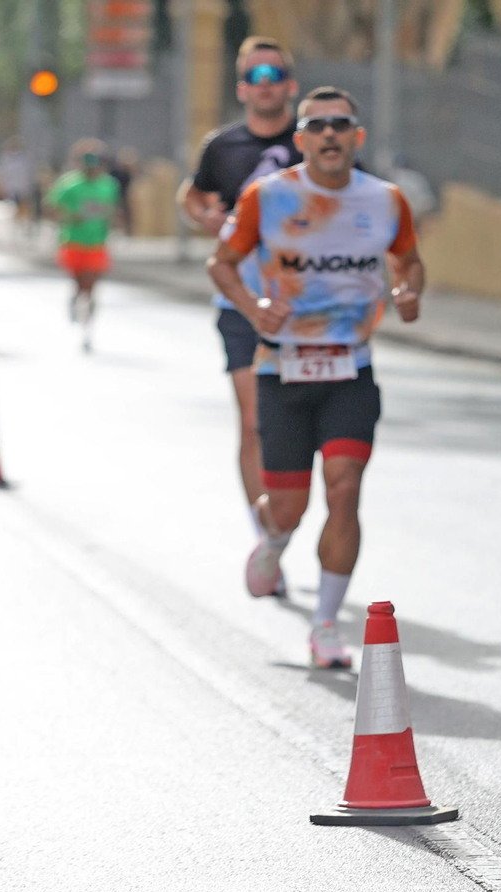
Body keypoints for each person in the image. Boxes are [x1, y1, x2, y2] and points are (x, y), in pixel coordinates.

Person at [206, 85, 423, 670]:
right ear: (301, 140)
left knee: (346, 488)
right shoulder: (266, 197)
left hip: (350, 368)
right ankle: (274, 541)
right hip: (283, 369)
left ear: (357, 136)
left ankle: (325, 624)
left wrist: (408, 291)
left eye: (341, 124)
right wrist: (254, 309)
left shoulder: (385, 201)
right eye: (318, 125)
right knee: (289, 506)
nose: (330, 134)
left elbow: (408, 259)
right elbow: (221, 265)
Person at [181, 35, 303, 552]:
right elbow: (191, 192)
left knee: (295, 427)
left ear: (291, 86)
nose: (265, 84)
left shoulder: (315, 143)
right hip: (241, 304)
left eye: (274, 75)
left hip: (307, 306)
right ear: (242, 88)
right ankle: (268, 535)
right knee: (255, 422)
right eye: (255, 76)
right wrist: (204, 215)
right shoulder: (222, 146)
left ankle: (287, 512)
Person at [45, 139, 121, 352]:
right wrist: (70, 216)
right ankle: (76, 301)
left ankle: (88, 328)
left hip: (97, 243)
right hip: (73, 241)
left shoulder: (109, 185)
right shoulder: (69, 184)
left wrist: (115, 223)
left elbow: (114, 210)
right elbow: (51, 207)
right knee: (80, 284)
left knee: (91, 287)